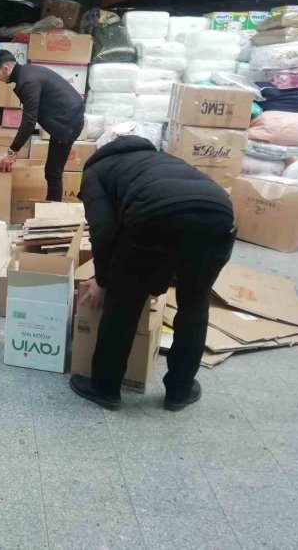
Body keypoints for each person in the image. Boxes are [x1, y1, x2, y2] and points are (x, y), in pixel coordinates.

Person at [71, 135, 236, 411]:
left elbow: (103, 231)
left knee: (124, 303)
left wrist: (104, 281)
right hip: (219, 216)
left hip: (155, 217)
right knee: (195, 303)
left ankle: (105, 388)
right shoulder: (161, 159)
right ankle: (180, 391)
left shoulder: (96, 171)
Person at [0, 50, 85, 201]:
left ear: (6, 68)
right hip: (66, 121)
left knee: (53, 173)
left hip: (67, 124)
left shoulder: (27, 81)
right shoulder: (25, 74)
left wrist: (12, 151)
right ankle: (51, 210)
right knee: (52, 171)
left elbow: (29, 120)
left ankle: (52, 218)